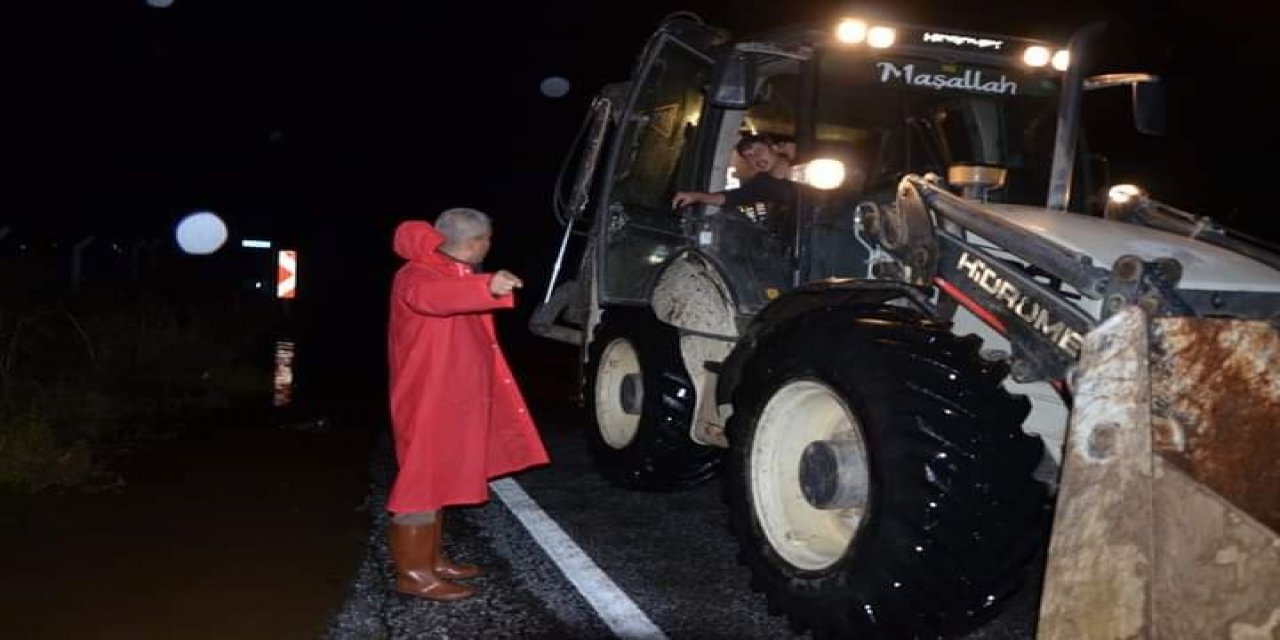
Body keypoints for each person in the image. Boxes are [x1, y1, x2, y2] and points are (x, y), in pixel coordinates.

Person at [385, 207, 550, 602]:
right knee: (420, 479)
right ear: (475, 242)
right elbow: (431, 299)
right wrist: (486, 287)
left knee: (438, 472)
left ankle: (431, 559)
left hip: (450, 394)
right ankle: (413, 573)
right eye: (486, 239)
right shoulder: (418, 274)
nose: (489, 245)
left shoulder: (449, 269)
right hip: (427, 395)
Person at [671, 133, 798, 236]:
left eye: (758, 150)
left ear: (774, 147)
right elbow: (728, 198)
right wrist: (696, 196)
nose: (755, 157)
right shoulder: (762, 185)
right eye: (749, 157)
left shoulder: (801, 154)